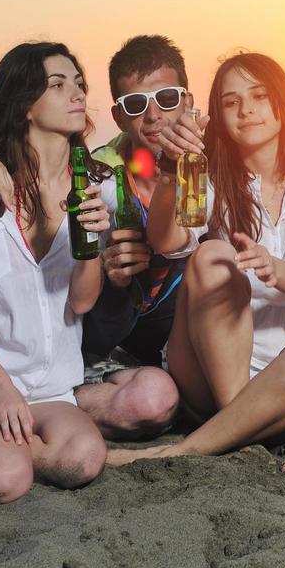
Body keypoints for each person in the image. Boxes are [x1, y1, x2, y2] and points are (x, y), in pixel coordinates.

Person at [0, 42, 171, 502]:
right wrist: (0, 388)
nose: (77, 94)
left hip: (51, 380)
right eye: (58, 84)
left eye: (79, 84)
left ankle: (5, 448)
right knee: (2, 480)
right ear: (24, 102)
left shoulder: (101, 189)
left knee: (83, 459)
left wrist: (89, 246)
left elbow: (82, 303)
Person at [106, 52, 285, 465]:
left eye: (259, 96)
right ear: (218, 113)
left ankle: (194, 446)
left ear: (282, 102)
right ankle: (239, 419)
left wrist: (276, 270)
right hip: (210, 370)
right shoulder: (209, 172)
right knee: (213, 254)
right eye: (231, 102)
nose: (247, 110)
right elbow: (171, 241)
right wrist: (169, 170)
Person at [85, 35, 192, 368]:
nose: (153, 115)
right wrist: (108, 278)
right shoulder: (95, 183)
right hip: (122, 351)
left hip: (195, 340)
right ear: (118, 117)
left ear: (187, 102)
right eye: (135, 104)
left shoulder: (214, 168)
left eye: (167, 97)